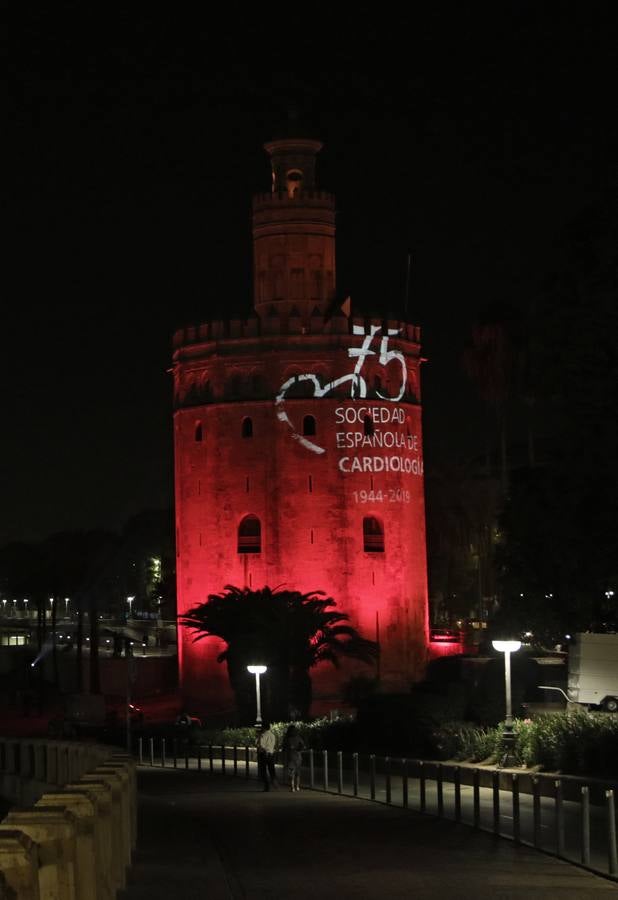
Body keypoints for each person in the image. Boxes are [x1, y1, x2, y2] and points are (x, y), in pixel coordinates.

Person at [282, 724, 305, 792]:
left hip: (290, 757)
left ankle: (292, 787)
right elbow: (303, 746)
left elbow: (284, 749)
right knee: (298, 773)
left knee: (291, 773)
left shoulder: (286, 739)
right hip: (298, 757)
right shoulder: (299, 737)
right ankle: (297, 786)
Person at [256, 722, 277, 790]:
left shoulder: (262, 735)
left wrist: (258, 738)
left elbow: (260, 745)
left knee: (263, 770)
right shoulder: (273, 735)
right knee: (271, 769)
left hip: (264, 754)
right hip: (271, 754)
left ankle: (267, 786)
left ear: (263, 728)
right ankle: (274, 780)